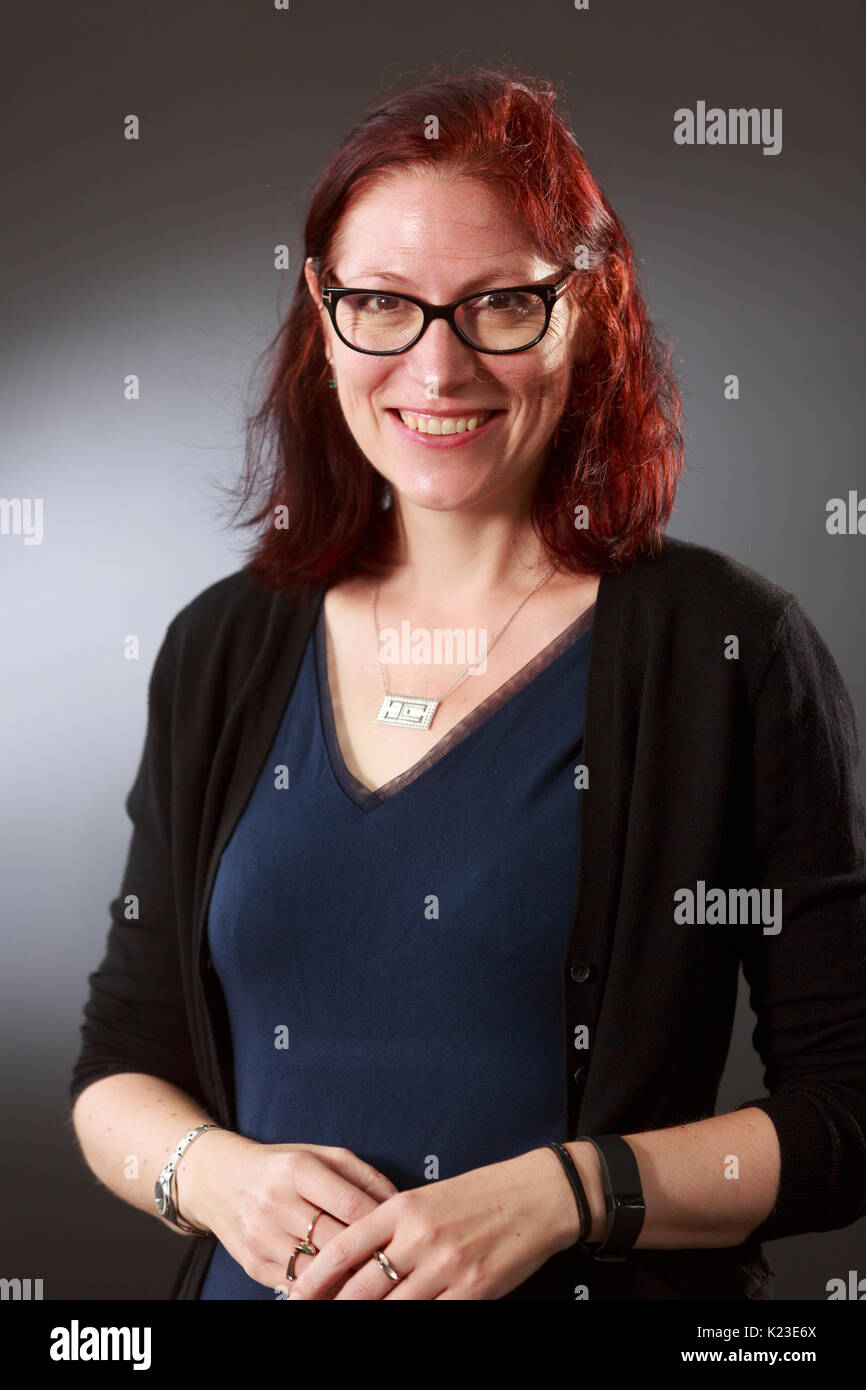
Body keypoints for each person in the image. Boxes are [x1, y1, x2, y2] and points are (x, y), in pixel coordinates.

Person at [69, 64, 866, 1301]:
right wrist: (213, 1172)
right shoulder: (220, 647)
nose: (435, 373)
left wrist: (566, 1195)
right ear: (321, 316)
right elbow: (121, 1065)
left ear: (585, 312)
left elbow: (844, 1114)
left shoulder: (727, 649)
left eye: (498, 304)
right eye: (381, 304)